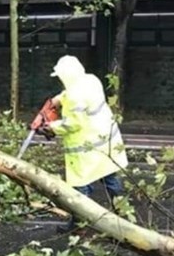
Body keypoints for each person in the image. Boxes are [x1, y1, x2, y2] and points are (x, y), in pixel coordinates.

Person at [45, 55, 128, 232]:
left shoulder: (74, 97)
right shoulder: (90, 80)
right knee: (111, 180)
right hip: (105, 143)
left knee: (80, 190)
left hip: (86, 149)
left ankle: (79, 226)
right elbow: (71, 93)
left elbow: (72, 124)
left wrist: (51, 127)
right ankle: (124, 219)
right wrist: (57, 100)